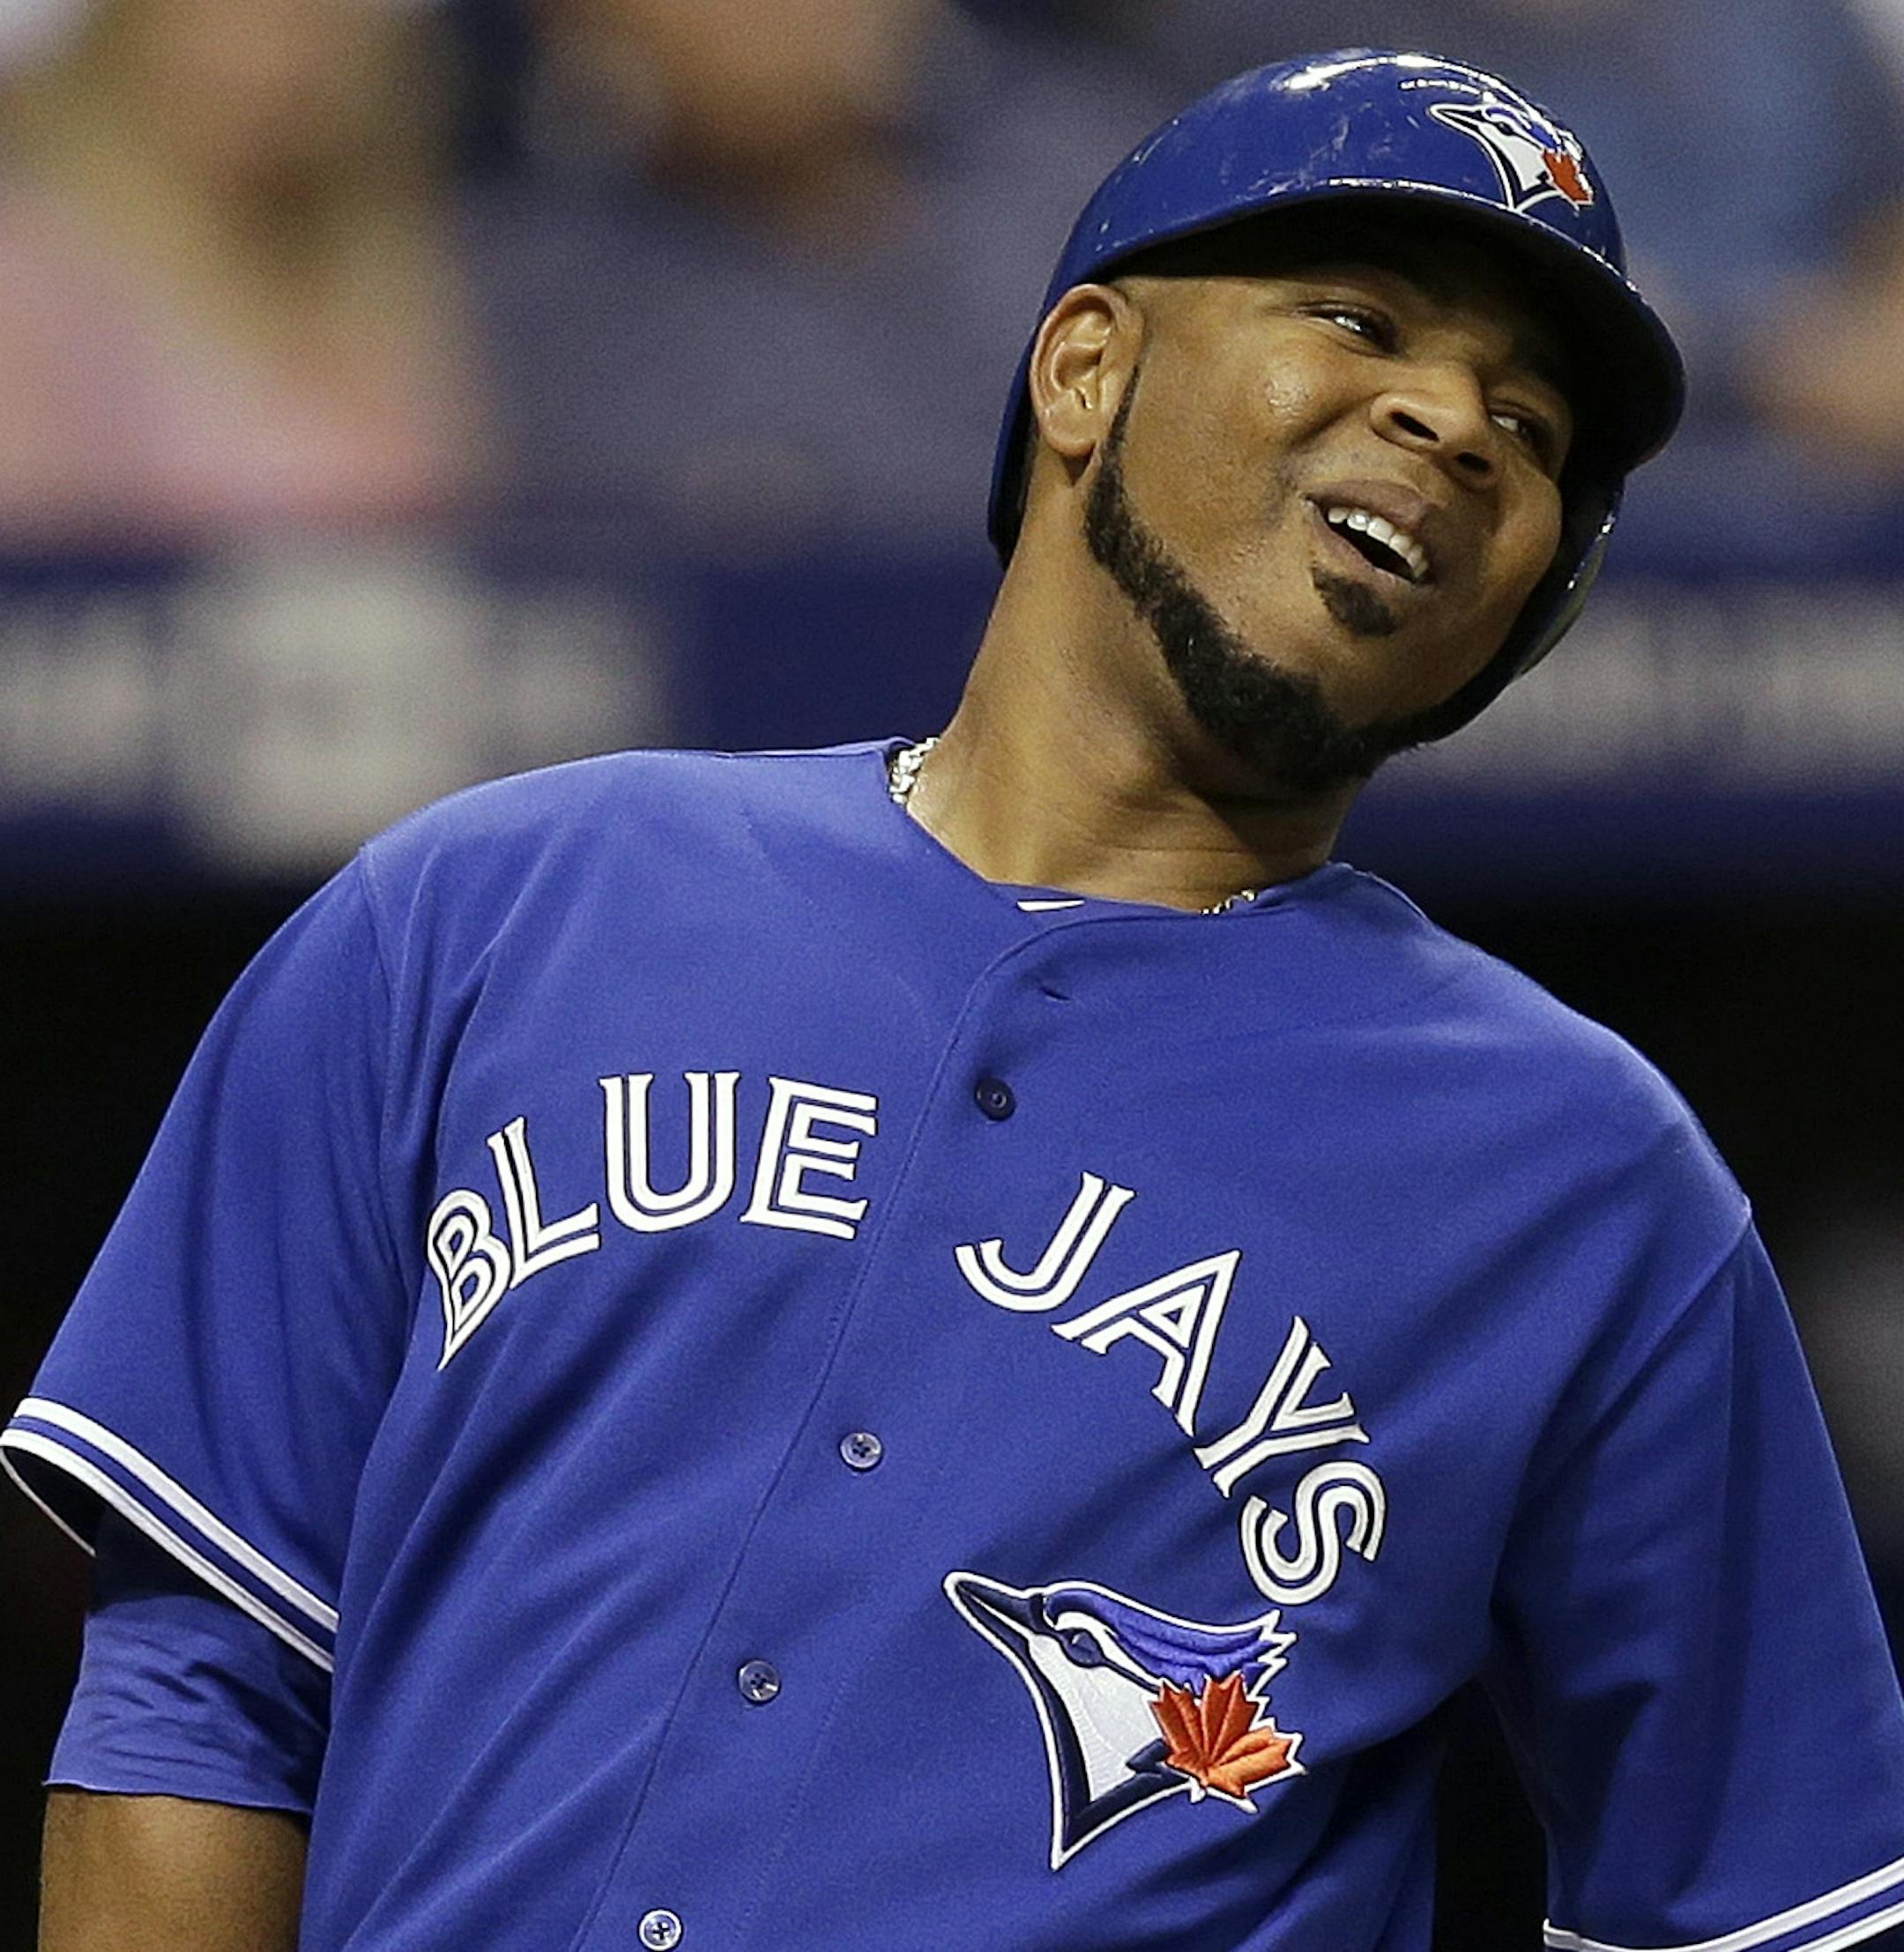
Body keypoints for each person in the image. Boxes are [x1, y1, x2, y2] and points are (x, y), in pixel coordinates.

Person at [10, 49, 1904, 1952]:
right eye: (1361, 318)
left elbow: (1766, 1905)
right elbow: (204, 1694)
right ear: (1083, 366)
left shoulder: (1583, 1181)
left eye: (1537, 425)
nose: (1456, 420)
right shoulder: (485, 909)